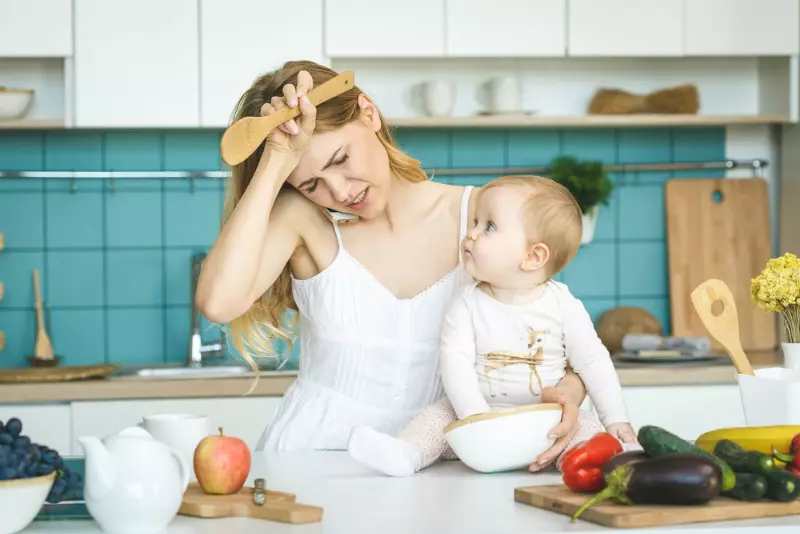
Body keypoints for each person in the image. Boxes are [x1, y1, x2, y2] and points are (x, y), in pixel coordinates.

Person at [195, 60, 588, 469]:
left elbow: (557, 337)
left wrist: (571, 392)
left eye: (341, 159)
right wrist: (276, 162)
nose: (340, 191)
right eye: (311, 184)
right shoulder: (307, 223)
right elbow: (218, 303)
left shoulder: (481, 218)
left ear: (369, 113)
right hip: (312, 459)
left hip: (445, 463)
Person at [347, 175, 636, 477]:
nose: (470, 234)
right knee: (436, 418)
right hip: (480, 413)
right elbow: (455, 362)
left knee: (586, 426)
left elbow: (592, 361)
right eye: (474, 222)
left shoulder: (563, 305)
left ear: (533, 256)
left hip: (546, 418)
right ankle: (403, 452)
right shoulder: (467, 303)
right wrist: (474, 417)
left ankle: (592, 465)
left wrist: (616, 418)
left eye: (488, 226)